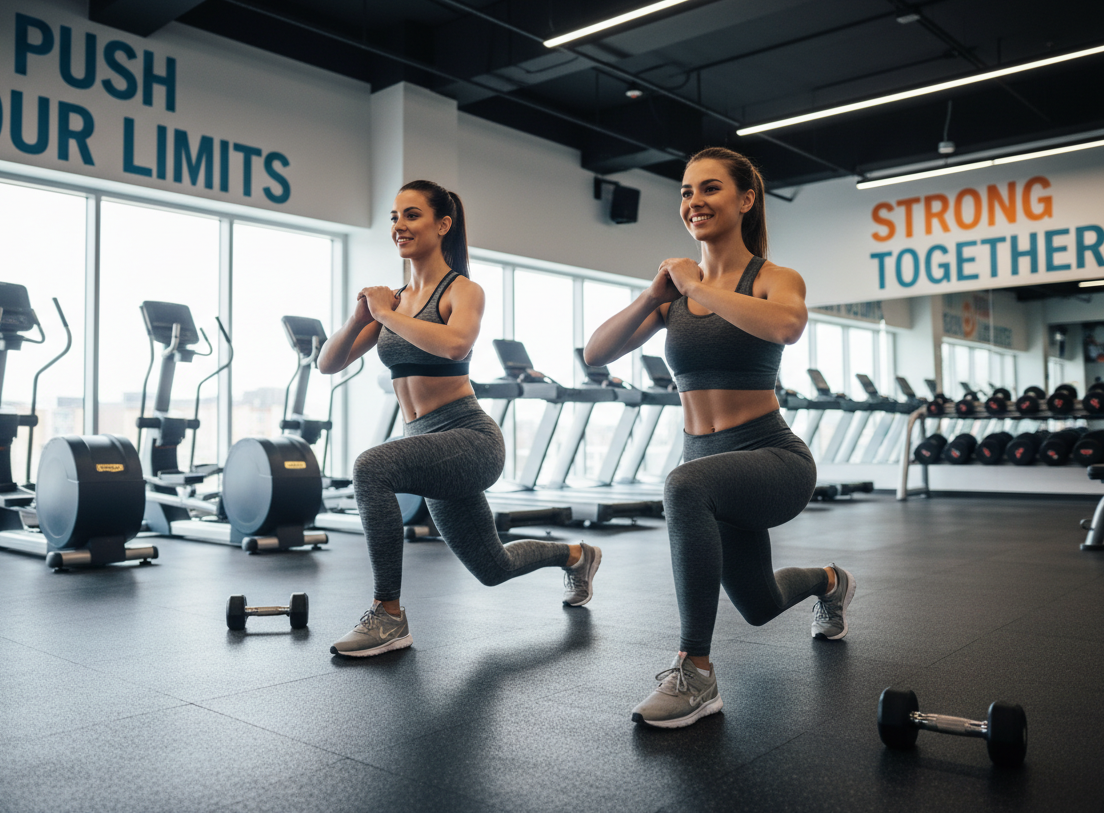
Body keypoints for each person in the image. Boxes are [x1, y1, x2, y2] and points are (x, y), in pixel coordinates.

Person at [583, 148, 855, 728]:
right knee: (757, 606)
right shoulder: (677, 292)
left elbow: (786, 325)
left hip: (772, 458)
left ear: (746, 199)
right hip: (709, 464)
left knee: (682, 486)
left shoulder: (774, 279)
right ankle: (831, 582)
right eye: (685, 191)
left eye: (709, 189)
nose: (694, 202)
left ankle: (696, 673)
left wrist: (697, 286)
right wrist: (655, 294)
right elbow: (595, 353)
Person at [317, 179, 602, 657]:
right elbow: (328, 363)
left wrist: (386, 315)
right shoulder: (396, 301)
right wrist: (359, 317)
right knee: (492, 568)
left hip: (468, 439)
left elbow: (455, 344)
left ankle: (388, 615)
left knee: (370, 467)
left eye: (411, 215)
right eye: (393, 217)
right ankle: (577, 555)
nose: (398, 226)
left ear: (442, 225)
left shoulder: (462, 290)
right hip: (428, 445)